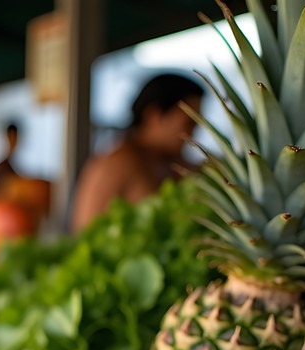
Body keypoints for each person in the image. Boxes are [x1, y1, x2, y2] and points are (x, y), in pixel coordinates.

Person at [70, 73, 204, 232]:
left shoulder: (175, 163)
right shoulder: (114, 166)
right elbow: (85, 235)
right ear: (154, 116)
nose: (193, 133)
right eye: (188, 123)